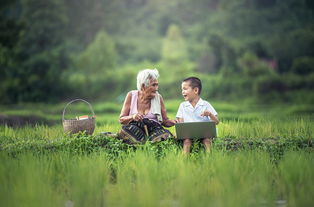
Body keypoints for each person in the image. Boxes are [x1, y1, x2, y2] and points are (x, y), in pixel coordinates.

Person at [119, 69, 176, 144]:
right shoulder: (131, 95)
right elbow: (121, 119)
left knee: (165, 136)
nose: (156, 88)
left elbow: (165, 121)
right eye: (153, 85)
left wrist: (175, 122)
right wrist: (132, 117)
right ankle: (141, 143)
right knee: (127, 131)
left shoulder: (159, 98)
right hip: (135, 128)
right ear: (143, 86)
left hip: (154, 129)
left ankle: (147, 142)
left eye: (157, 85)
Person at [176, 77, 219, 154]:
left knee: (207, 141)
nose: (183, 92)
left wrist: (210, 114)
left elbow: (216, 121)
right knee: (186, 142)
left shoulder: (206, 104)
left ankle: (210, 159)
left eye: (185, 89)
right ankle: (183, 162)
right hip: (188, 135)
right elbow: (180, 121)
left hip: (204, 134)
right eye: (182, 89)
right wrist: (179, 127)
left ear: (195, 90)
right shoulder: (183, 105)